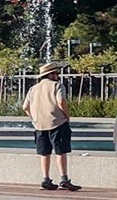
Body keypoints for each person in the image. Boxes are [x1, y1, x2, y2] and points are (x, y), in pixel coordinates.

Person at [22, 61, 78, 191]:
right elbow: (61, 101)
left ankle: (46, 179)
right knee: (61, 151)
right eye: (56, 73)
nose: (58, 75)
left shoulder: (33, 89)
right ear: (51, 75)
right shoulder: (57, 86)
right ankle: (64, 179)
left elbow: (25, 107)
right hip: (57, 122)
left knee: (44, 153)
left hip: (39, 125)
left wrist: (34, 118)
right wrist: (66, 115)